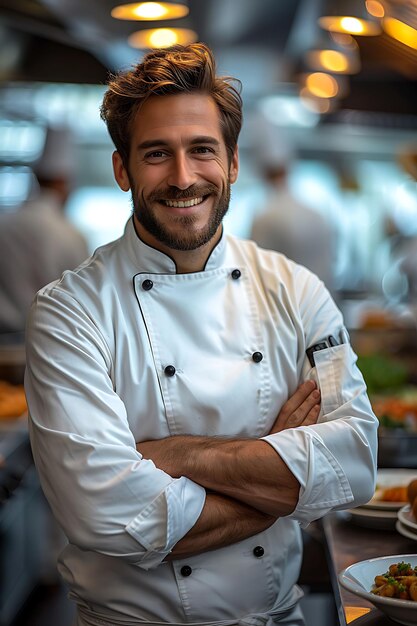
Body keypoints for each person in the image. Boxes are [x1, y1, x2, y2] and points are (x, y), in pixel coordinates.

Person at [25, 43, 378, 626]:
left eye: (202, 150)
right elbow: (108, 515)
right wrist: (290, 483)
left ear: (233, 163)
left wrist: (179, 455)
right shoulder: (69, 313)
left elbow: (356, 461)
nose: (184, 178)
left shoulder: (297, 290)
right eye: (157, 153)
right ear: (122, 169)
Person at [0, 125, 89, 334]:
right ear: (64, 182)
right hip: (51, 338)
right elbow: (85, 297)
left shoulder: (5, 223)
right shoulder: (69, 235)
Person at [249, 121, 335, 294]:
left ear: (262, 173)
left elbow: (256, 274)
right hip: (322, 303)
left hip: (285, 312)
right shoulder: (315, 214)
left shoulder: (266, 218)